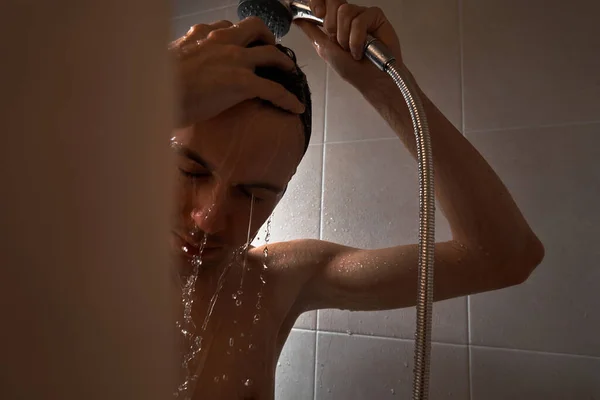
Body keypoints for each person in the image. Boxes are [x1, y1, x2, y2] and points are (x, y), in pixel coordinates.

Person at [168, 1, 545, 399]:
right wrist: (144, 94)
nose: (208, 219)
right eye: (190, 172)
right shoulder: (94, 259)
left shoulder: (273, 282)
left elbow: (505, 255)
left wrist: (384, 88)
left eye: (255, 194)